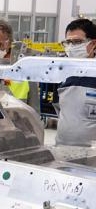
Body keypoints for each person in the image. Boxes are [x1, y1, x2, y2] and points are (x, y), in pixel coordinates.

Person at [55, 18, 96, 146]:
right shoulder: (64, 74)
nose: (72, 47)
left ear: (93, 44)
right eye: (68, 42)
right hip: (63, 149)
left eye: (77, 42)